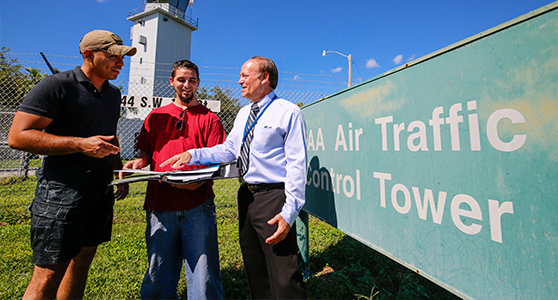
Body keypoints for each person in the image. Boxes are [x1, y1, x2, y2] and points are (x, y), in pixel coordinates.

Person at [162, 56, 308, 299]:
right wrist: (193, 154)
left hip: (274, 197)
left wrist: (289, 211)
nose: (239, 81)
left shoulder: (288, 112)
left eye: (245, 75)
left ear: (264, 78)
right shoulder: (244, 113)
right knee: (255, 267)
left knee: (283, 272)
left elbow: (297, 164)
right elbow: (229, 149)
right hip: (247, 197)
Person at [7, 29, 135, 299]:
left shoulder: (113, 94)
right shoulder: (57, 86)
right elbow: (18, 136)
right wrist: (79, 144)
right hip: (61, 194)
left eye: (122, 57)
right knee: (48, 274)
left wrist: (118, 168)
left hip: (100, 191)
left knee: (81, 262)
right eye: (113, 56)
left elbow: (109, 135)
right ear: (88, 55)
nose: (120, 63)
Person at [120, 60, 225, 300]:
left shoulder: (210, 119)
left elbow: (216, 161)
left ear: (198, 82)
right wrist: (137, 164)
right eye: (181, 79)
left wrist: (194, 183)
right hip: (161, 203)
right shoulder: (155, 116)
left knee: (203, 271)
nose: (187, 85)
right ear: (171, 82)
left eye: (192, 80)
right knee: (159, 269)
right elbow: (145, 153)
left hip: (197, 204)